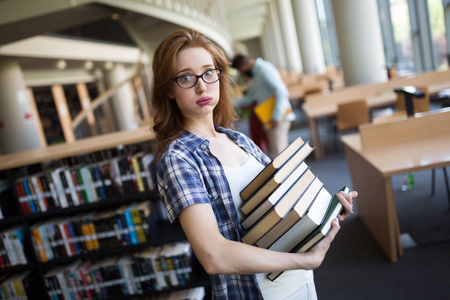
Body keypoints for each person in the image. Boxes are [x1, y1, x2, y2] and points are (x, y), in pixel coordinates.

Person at [151, 28, 357, 300]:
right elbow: (214, 255)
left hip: (301, 284)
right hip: (258, 293)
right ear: (168, 90)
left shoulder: (238, 139)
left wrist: (326, 215)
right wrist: (304, 261)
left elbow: (282, 204)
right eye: (186, 77)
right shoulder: (178, 158)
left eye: (209, 72)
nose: (202, 86)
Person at [231, 54, 295, 159]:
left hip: (278, 117)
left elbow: (281, 91)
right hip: (270, 117)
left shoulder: (264, 70)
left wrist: (276, 116)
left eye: (241, 71)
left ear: (245, 65)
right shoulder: (257, 74)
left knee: (279, 155)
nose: (242, 74)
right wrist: (229, 103)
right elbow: (250, 98)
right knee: (276, 152)